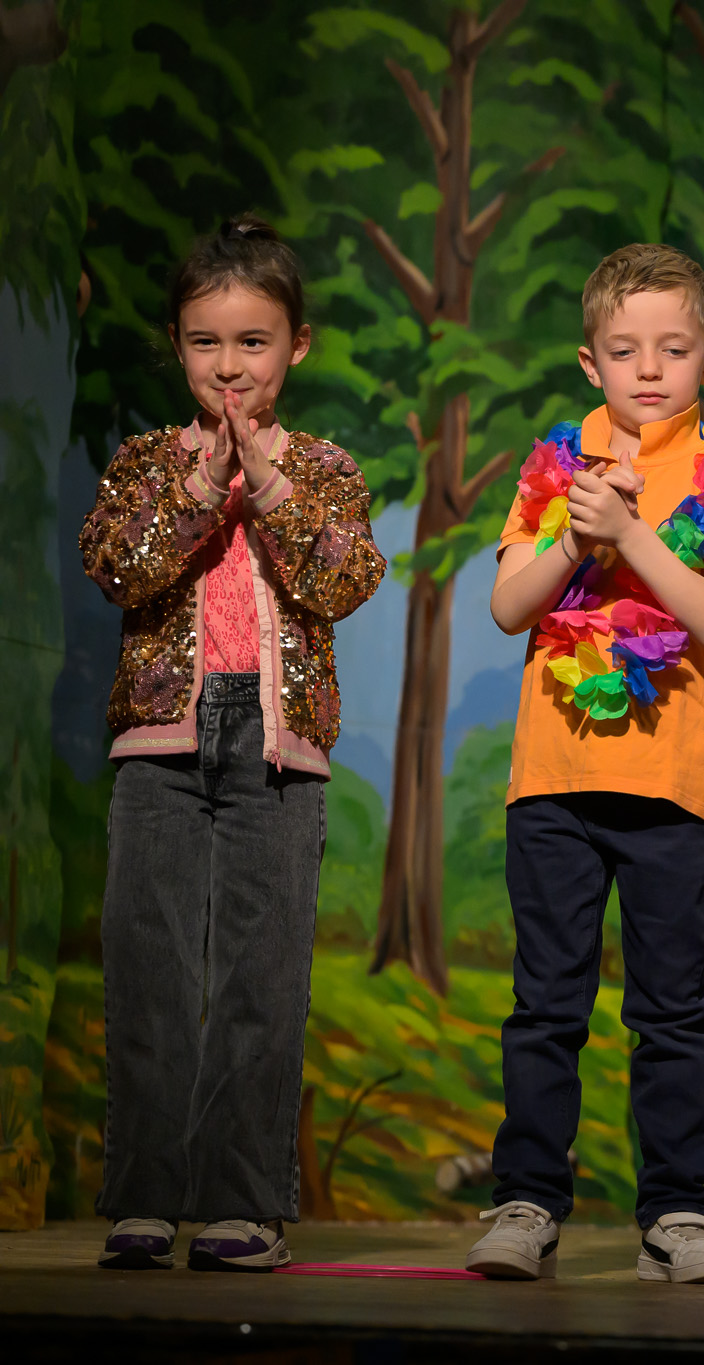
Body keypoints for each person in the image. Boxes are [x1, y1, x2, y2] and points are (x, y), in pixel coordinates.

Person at [83, 217, 386, 1272]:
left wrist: (274, 486)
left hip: (275, 748)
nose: (228, 367)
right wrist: (203, 488)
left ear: (296, 346)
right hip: (160, 750)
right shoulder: (146, 463)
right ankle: (142, 1198)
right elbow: (116, 566)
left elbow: (345, 580)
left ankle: (242, 1202)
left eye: (252, 342)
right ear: (177, 345)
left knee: (262, 978)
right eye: (206, 342)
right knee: (151, 971)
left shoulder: (324, 468)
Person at [466, 244, 704, 1286]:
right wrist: (573, 537)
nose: (649, 369)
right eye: (625, 350)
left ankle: (677, 1212)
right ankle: (527, 1202)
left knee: (672, 1012)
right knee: (546, 1004)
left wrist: (631, 532)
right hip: (554, 780)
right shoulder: (555, 466)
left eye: (673, 349)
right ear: (590, 362)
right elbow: (509, 606)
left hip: (673, 788)